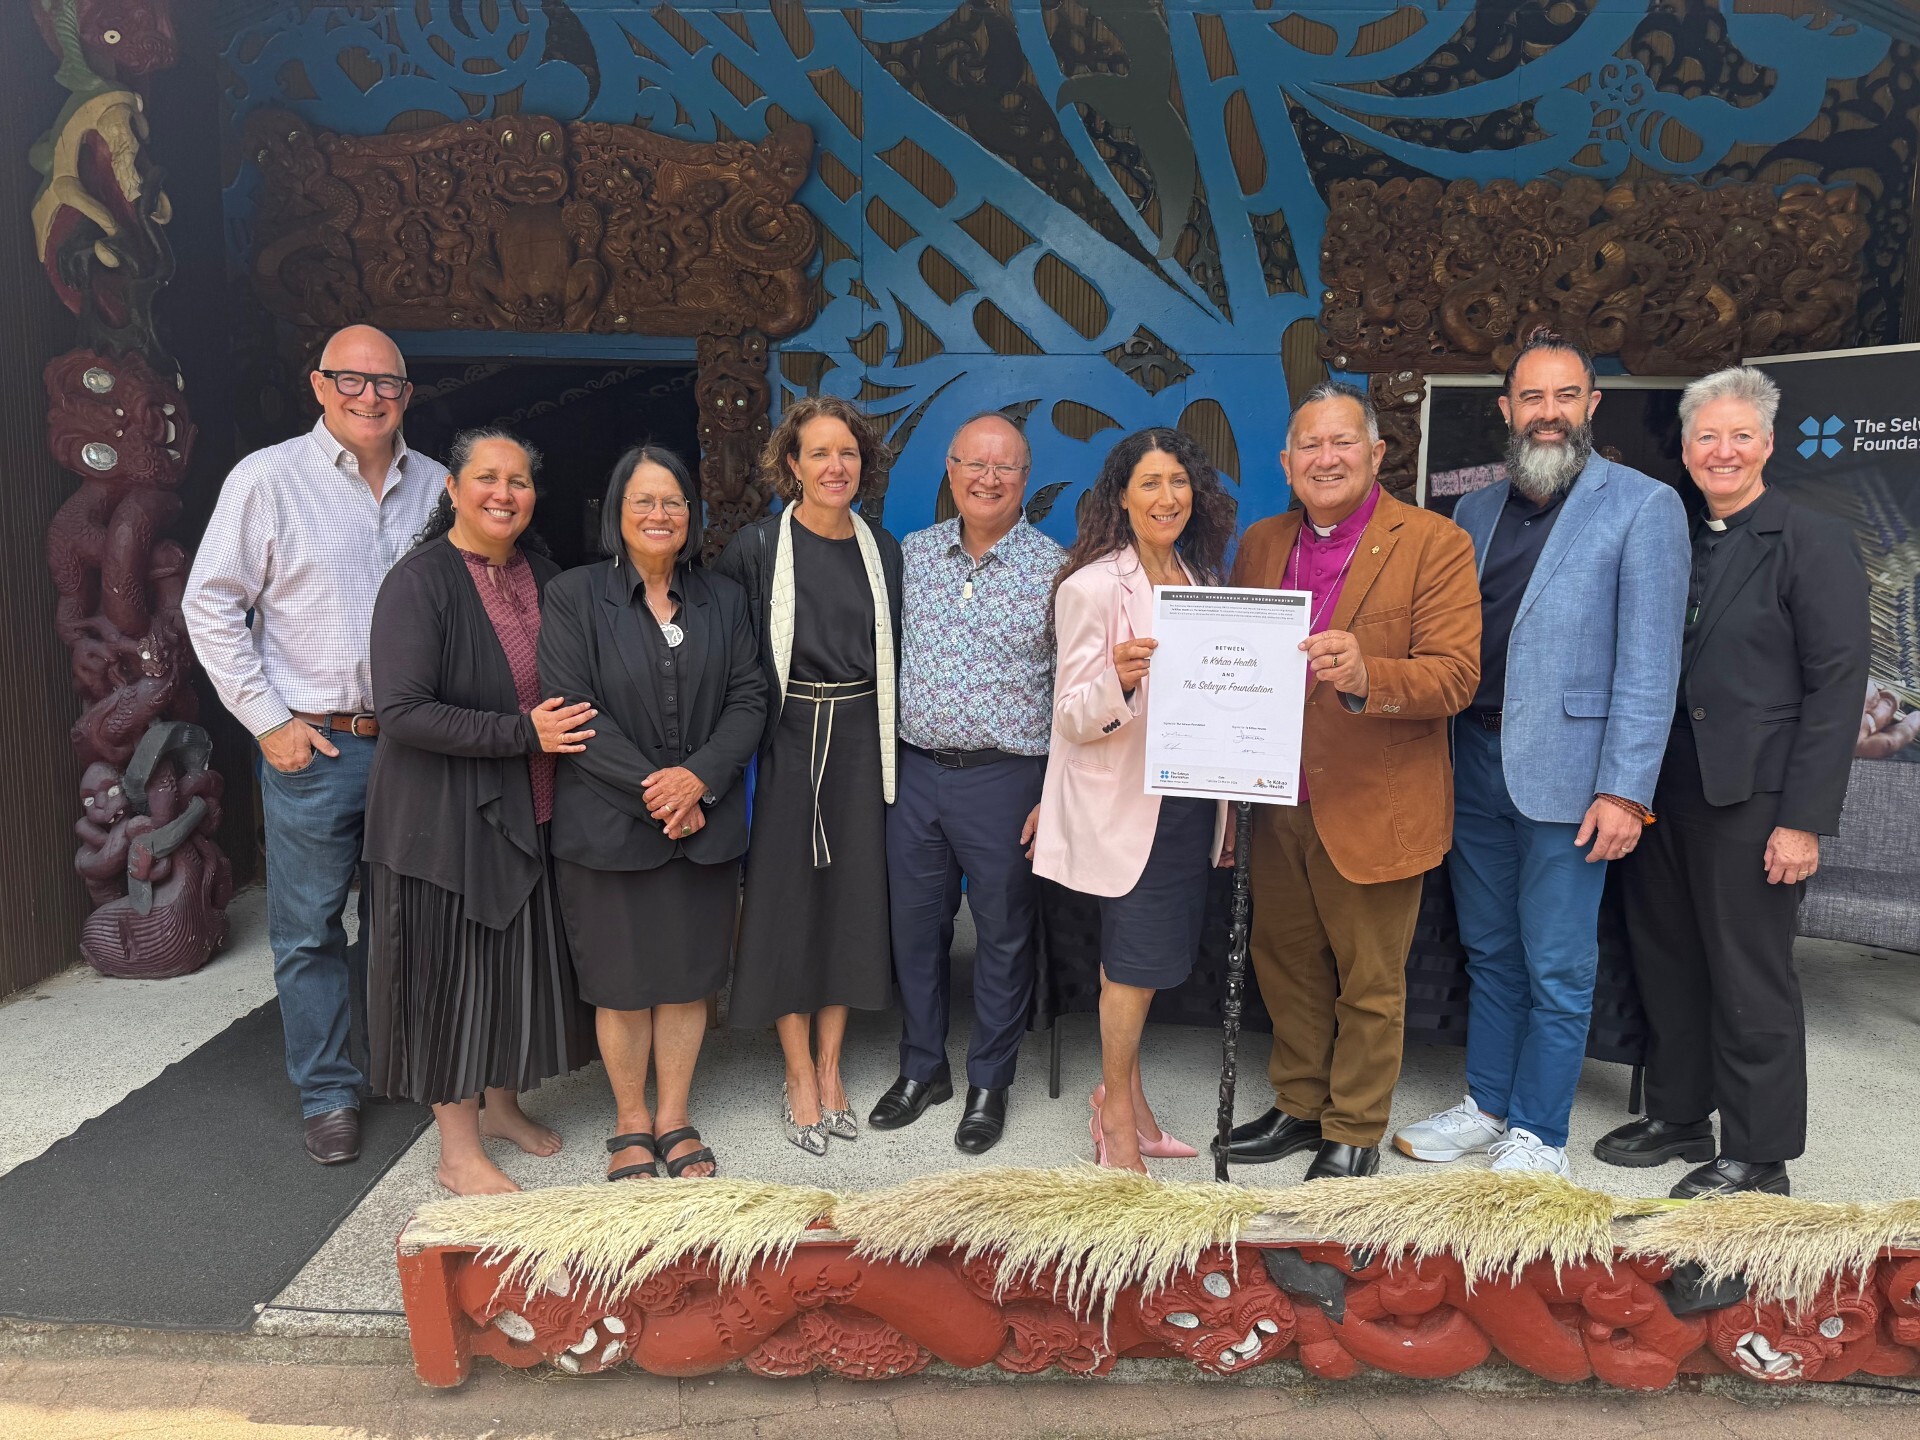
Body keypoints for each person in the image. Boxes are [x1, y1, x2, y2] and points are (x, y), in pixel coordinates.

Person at [1392, 334, 1688, 1178]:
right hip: (1473, 763)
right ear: (1507, 411)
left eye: (1566, 396)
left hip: (1572, 775)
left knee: (1557, 962)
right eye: (1532, 398)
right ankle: (1488, 1106)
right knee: (1490, 952)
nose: (1548, 413)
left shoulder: (1643, 506)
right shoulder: (1474, 512)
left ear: (1591, 406)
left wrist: (1627, 792)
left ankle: (1540, 1134)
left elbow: (1649, 665)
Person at [1596, 367, 1869, 1198]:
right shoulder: (1671, 533)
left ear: (1768, 444)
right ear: (1684, 448)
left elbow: (1838, 687)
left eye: (1739, 435)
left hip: (1757, 803)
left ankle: (1759, 1153)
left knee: (1751, 978)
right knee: (1668, 964)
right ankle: (1680, 1116)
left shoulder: (1812, 540)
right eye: (1707, 436)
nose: (1722, 450)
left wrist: (1804, 822)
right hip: (1663, 793)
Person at [183, 324, 445, 1165]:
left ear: (408, 393)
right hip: (317, 746)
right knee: (308, 929)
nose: (371, 397)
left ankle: (407, 1064)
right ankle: (329, 1090)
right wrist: (267, 721)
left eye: (388, 384)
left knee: (410, 920)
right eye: (352, 380)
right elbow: (210, 604)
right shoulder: (268, 479)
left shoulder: (438, 487)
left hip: (415, 747)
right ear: (319, 385)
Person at [1224, 383, 1481, 1180]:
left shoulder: (1434, 542)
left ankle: (1355, 1128)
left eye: (1343, 444)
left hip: (1375, 800)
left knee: (1370, 977)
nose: (1325, 458)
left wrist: (1370, 673)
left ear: (1376, 454)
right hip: (1277, 796)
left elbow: (1457, 677)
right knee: (1286, 961)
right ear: (1287, 463)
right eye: (1309, 446)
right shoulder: (1262, 542)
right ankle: (1299, 1106)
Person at [361, 430, 596, 1194]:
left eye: (520, 480)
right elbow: (402, 711)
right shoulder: (420, 582)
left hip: (526, 810)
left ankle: (501, 1106)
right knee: (448, 980)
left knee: (508, 971)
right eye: (488, 478)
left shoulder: (546, 575)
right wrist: (521, 732)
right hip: (440, 824)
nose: (505, 493)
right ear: (454, 489)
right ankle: (457, 1148)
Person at [538, 444, 767, 1181]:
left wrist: (698, 781)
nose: (659, 514)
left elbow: (749, 698)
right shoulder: (575, 597)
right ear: (617, 513)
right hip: (609, 827)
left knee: (687, 977)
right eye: (643, 501)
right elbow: (574, 713)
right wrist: (661, 793)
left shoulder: (723, 599)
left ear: (691, 515)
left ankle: (674, 1115)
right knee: (623, 982)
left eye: (672, 501)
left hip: (702, 821)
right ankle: (631, 1119)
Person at [1031, 428, 1233, 1173]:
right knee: (1132, 966)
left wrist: (1231, 799)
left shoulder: (1205, 581)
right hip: (1123, 803)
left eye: (1178, 481)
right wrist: (1118, 677)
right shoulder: (1090, 587)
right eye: (1150, 482)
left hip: (1185, 804)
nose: (1167, 496)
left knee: (1150, 963)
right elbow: (1072, 715)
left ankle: (1131, 1102)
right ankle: (1115, 1118)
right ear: (1121, 494)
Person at [869, 413, 1064, 1154]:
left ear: (1025, 478)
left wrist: (1057, 793)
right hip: (916, 773)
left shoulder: (1057, 570)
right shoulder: (910, 557)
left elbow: (1074, 689)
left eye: (1005, 468)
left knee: (1003, 937)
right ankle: (924, 1068)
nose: (988, 479)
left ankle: (989, 1080)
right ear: (950, 471)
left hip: (1007, 780)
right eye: (973, 464)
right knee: (914, 932)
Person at [713, 395, 903, 1155]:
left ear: (864, 467)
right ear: (791, 465)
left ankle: (832, 1067)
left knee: (852, 901)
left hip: (860, 737)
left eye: (848, 453)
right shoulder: (757, 549)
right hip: (787, 742)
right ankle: (796, 1071)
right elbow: (729, 664)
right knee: (785, 903)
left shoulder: (881, 549)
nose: (835, 466)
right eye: (819, 453)